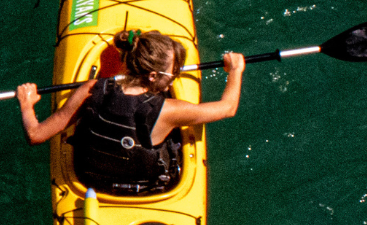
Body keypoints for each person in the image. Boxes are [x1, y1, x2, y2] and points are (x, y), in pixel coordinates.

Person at [15, 29, 245, 195]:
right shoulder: (169, 110)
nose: (175, 76)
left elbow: (36, 135)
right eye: (172, 72)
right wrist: (235, 70)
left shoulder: (91, 89)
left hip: (91, 185)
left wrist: (27, 105)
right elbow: (227, 108)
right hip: (145, 191)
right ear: (152, 76)